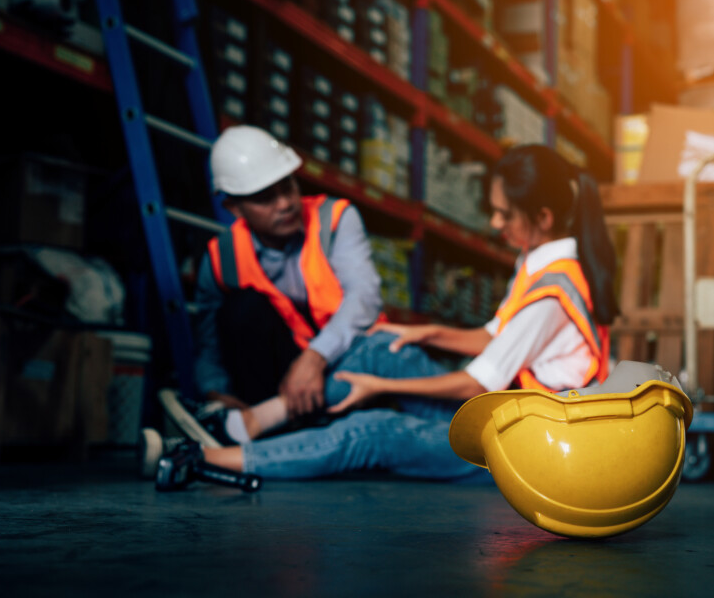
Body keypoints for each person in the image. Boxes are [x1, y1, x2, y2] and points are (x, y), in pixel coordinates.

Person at [155, 144, 620, 488]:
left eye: (504, 215)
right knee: (382, 345)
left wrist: (381, 387)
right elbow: (492, 337)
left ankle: (206, 456)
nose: (495, 224)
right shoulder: (538, 261)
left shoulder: (552, 293)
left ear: (542, 218)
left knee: (373, 431)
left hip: (526, 447)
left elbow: (478, 384)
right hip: (506, 416)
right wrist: (423, 333)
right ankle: (245, 424)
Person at [160, 125, 385, 449]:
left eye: (288, 186)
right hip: (278, 376)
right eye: (265, 197)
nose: (285, 204)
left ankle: (266, 425)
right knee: (241, 310)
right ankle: (259, 426)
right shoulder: (222, 257)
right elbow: (209, 346)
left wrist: (315, 357)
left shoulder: (335, 218)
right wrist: (217, 392)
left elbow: (364, 296)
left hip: (348, 358)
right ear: (233, 208)